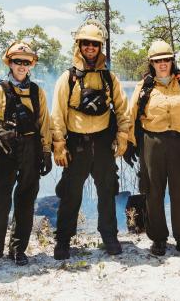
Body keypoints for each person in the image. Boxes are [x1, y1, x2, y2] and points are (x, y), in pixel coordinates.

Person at [50, 20, 130, 260]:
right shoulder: (68, 78)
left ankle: (109, 236)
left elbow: (123, 108)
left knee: (107, 190)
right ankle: (63, 240)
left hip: (104, 143)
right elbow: (57, 113)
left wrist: (123, 135)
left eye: (95, 44)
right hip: (77, 143)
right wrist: (59, 145)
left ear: (100, 47)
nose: (90, 47)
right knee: (71, 193)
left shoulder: (109, 77)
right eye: (86, 43)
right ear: (79, 46)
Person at [125, 40, 180, 258]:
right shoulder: (145, 86)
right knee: (153, 192)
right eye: (157, 61)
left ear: (172, 61)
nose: (162, 64)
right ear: (151, 63)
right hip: (153, 143)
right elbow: (130, 115)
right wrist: (129, 143)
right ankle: (158, 239)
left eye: (166, 60)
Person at [0, 41, 52, 275]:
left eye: (26, 62)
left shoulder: (37, 91)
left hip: (31, 148)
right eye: (17, 61)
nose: (21, 65)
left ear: (31, 65)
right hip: (7, 149)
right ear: (9, 63)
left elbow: (45, 124)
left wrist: (46, 151)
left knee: (26, 200)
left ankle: (18, 249)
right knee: (0, 201)